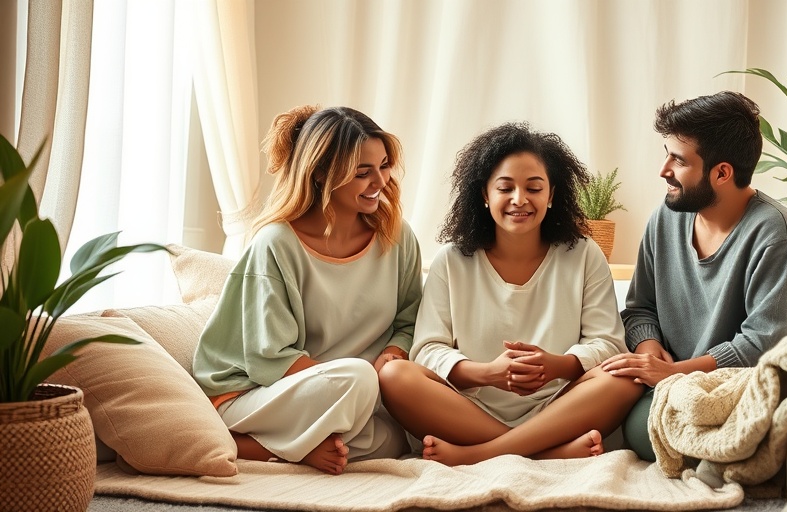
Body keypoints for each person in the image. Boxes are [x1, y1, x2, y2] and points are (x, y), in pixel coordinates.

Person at [378, 122, 643, 466]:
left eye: (534, 188)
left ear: (551, 196)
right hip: (468, 408)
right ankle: (547, 452)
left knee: (624, 376)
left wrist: (558, 366)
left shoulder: (583, 254)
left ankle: (483, 454)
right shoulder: (452, 260)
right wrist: (488, 373)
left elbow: (607, 342)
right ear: (485, 195)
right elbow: (427, 350)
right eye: (506, 188)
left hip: (561, 405)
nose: (520, 199)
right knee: (395, 376)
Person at [192, 105, 422, 475]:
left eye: (383, 166)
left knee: (394, 439)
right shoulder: (276, 244)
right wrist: (362, 388)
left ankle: (307, 441)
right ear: (320, 175)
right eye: (363, 172)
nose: (380, 181)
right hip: (253, 392)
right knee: (361, 381)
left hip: (336, 394)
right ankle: (250, 444)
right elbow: (270, 357)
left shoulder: (396, 236)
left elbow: (411, 316)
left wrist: (394, 354)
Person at [601, 91, 787, 462]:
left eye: (678, 160)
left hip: (738, 389)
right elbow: (640, 307)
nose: (663, 170)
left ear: (722, 172)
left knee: (641, 429)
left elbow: (762, 346)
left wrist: (672, 372)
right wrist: (648, 348)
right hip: (669, 378)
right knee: (603, 389)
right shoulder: (666, 217)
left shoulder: (778, 237)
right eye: (666, 154)